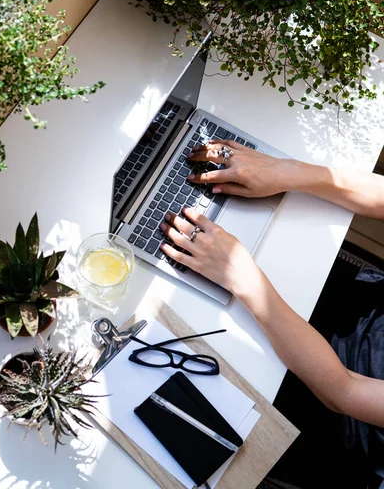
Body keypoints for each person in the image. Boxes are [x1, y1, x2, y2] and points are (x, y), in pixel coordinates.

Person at [158, 139, 384, 489]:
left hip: (317, 399)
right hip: (353, 299)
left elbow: (344, 391)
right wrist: (287, 172)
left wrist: (242, 278)